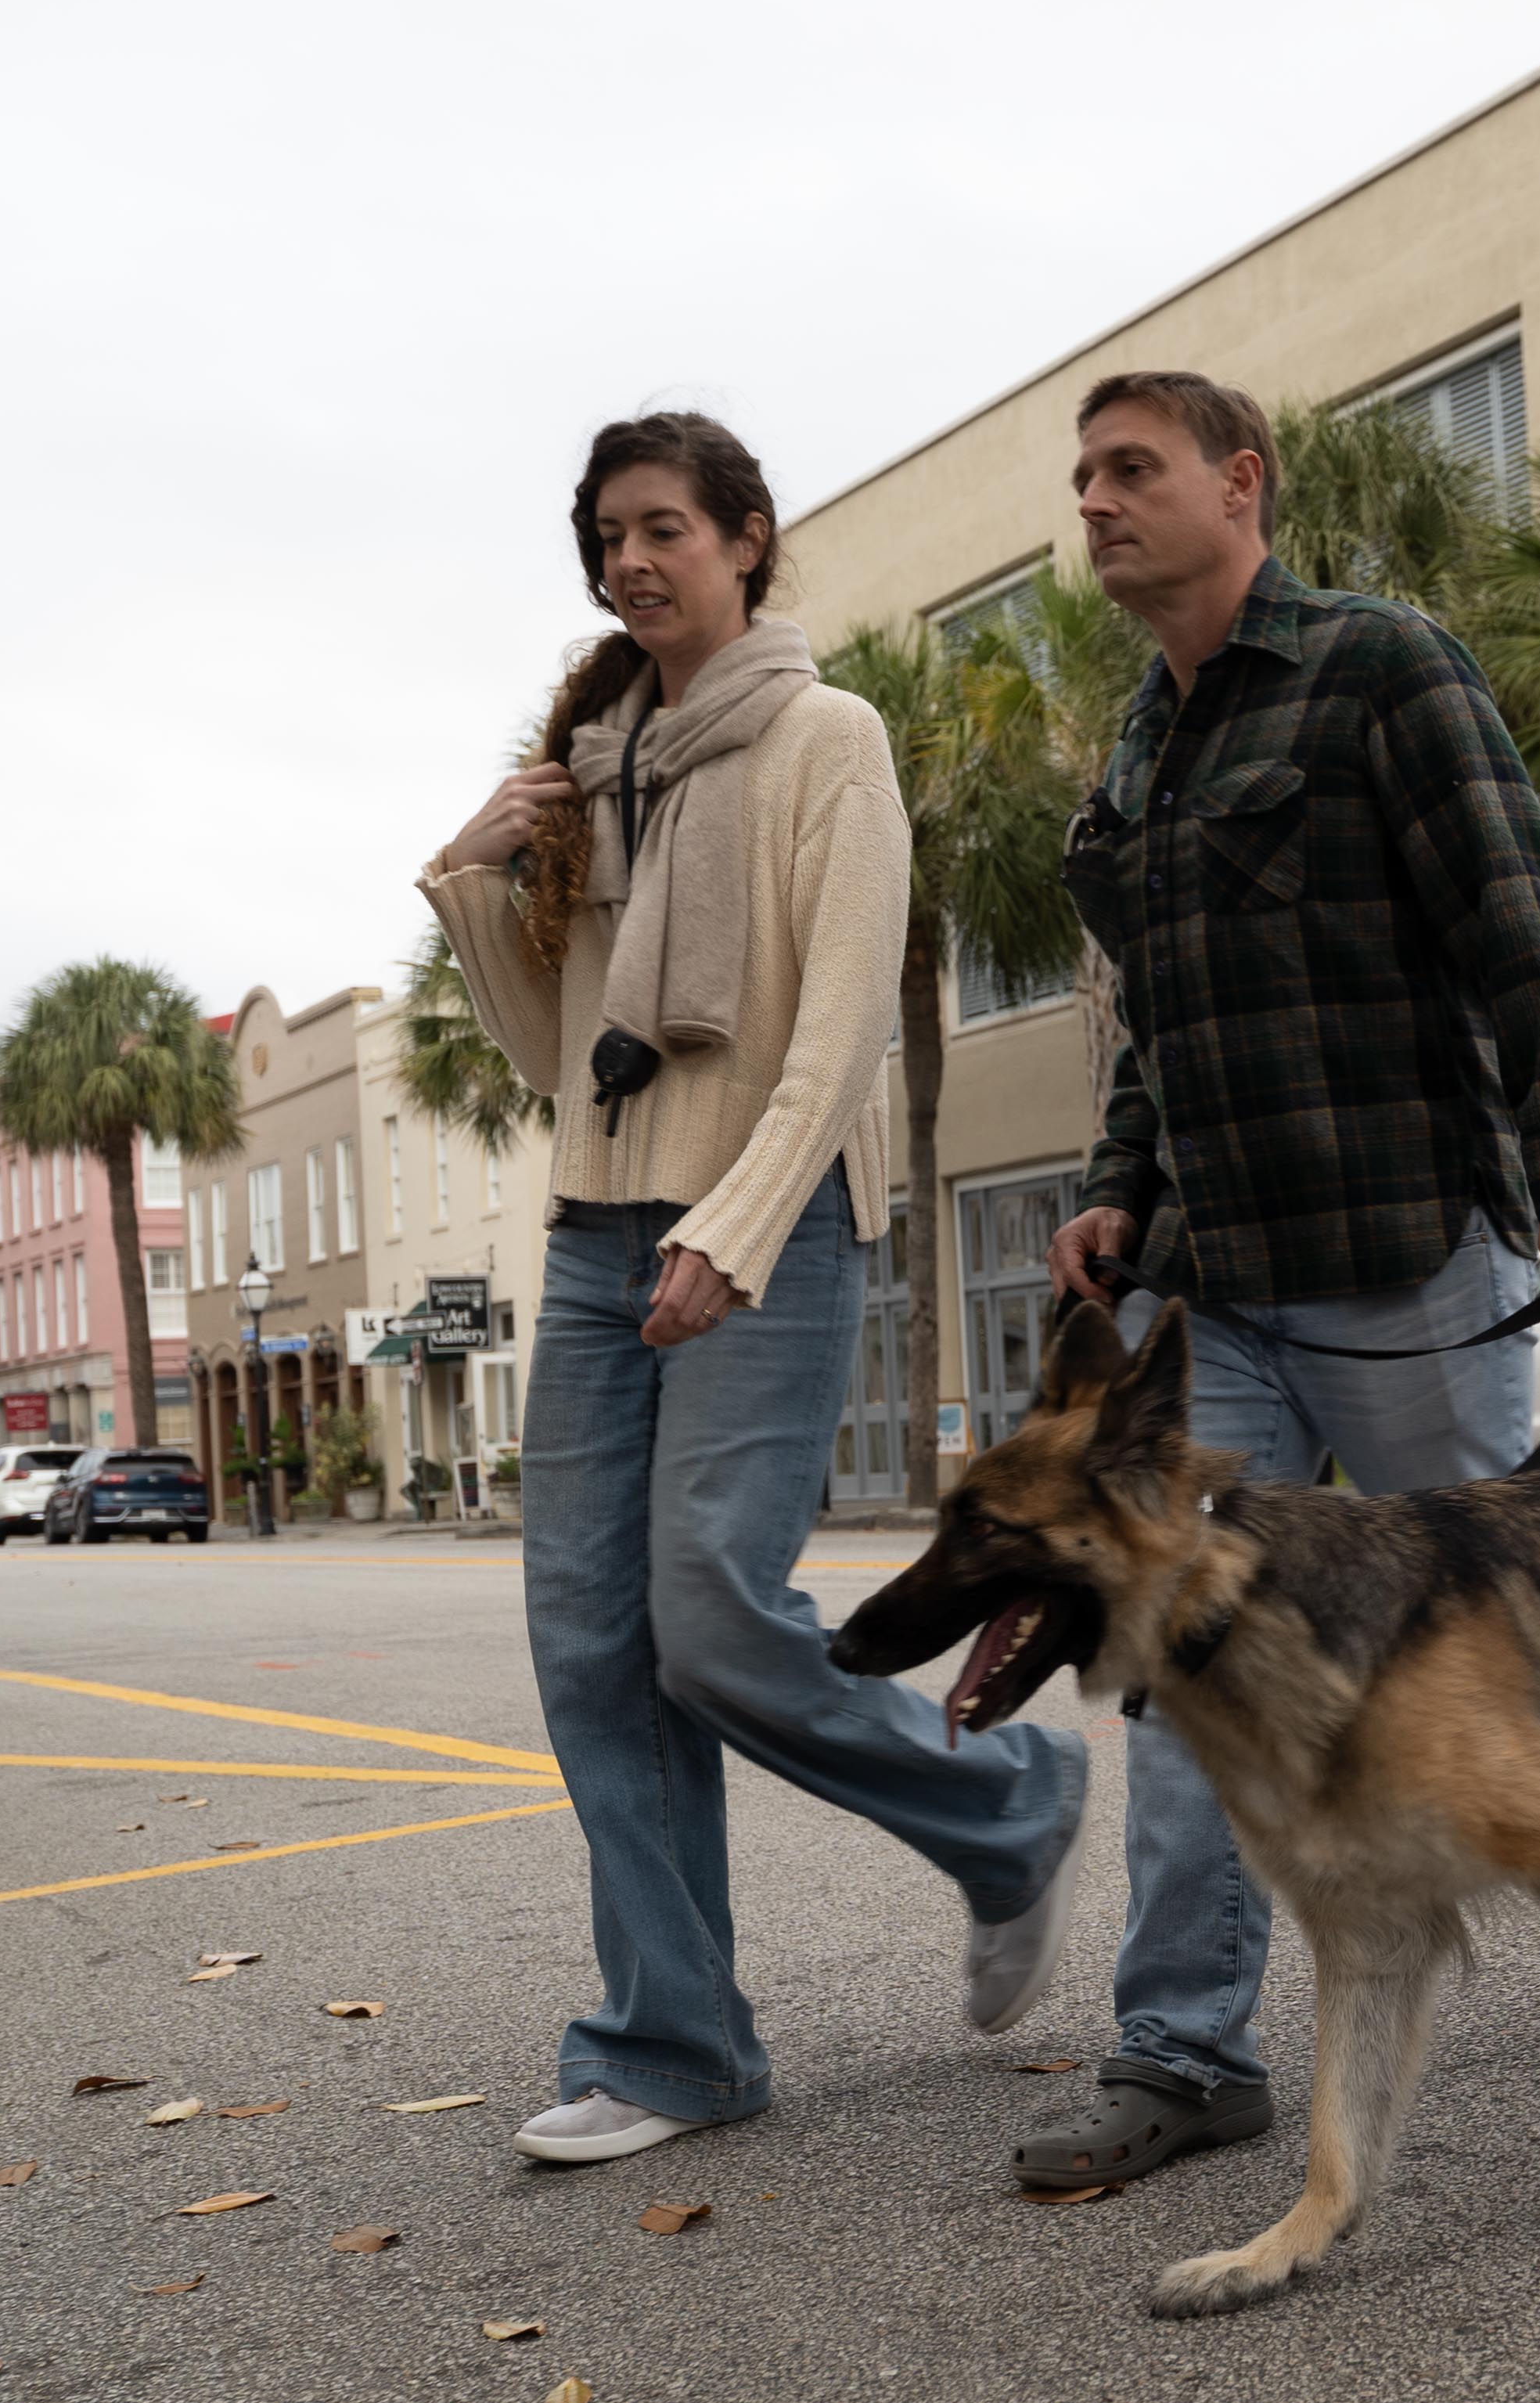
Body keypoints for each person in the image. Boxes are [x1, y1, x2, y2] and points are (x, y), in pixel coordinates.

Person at [1029, 369, 1540, 2194]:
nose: (1097, 500)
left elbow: (1520, 931)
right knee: (1186, 1654)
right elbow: (1162, 1030)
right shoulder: (1139, 744)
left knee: (1518, 1649)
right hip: (1219, 1289)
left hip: (1407, 1250)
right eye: (1085, 474)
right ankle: (1184, 2045)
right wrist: (1117, 1191)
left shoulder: (1380, 666)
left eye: (1132, 468)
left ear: (1239, 483)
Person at [423, 413, 1086, 2169]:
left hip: (766, 1234)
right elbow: (553, 1056)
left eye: (663, 527)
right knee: (591, 1652)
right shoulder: (594, 768)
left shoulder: (824, 738)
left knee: (709, 1617)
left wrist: (738, 1220)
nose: (632, 561)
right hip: (592, 1237)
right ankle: (676, 2043)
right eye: (607, 538)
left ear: (745, 536)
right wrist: (476, 874)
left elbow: (846, 1023)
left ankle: (1006, 1801)